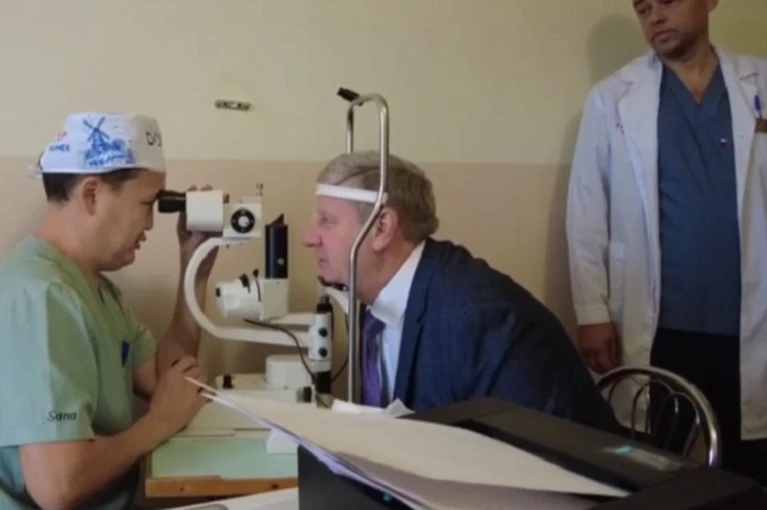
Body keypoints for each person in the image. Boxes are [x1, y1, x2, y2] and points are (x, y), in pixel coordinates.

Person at [566, 0, 767, 483]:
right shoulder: (612, 97)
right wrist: (592, 313)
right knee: (651, 466)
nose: (654, 17)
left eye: (668, 2)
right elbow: (587, 210)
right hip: (659, 325)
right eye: (643, 9)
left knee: (750, 467)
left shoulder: (757, 82)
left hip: (749, 318)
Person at [303, 150, 619, 434]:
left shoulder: (478, 319)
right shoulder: (376, 308)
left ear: (382, 227)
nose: (309, 238)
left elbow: (526, 459)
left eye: (326, 221)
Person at [0, 112, 217, 510]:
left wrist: (195, 268)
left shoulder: (96, 289)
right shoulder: (41, 296)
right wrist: (158, 423)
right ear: (92, 195)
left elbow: (169, 379)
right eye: (147, 204)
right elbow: (58, 486)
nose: (150, 224)